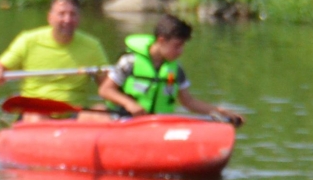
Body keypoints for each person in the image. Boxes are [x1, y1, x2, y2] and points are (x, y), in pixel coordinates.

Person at [98, 14, 245, 125]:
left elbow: (189, 102)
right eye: (177, 46)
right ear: (161, 40)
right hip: (125, 122)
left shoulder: (176, 69)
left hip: (157, 125)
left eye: (183, 46)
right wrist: (129, 104)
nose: (181, 51)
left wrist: (221, 112)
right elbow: (105, 90)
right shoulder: (129, 62)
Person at [0, 0, 109, 106]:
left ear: (79, 18)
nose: (67, 20)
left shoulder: (92, 46)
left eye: (73, 14)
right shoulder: (28, 40)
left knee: (100, 110)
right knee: (36, 117)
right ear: (50, 18)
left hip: (74, 115)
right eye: (61, 14)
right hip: (36, 112)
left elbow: (108, 87)